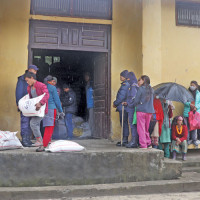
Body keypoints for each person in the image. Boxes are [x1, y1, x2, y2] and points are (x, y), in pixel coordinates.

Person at [36, 75, 64, 152]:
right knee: (50, 127)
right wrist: (61, 111)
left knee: (46, 126)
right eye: (52, 81)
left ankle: (46, 142)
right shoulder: (52, 88)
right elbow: (57, 100)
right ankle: (44, 145)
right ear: (50, 81)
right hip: (51, 109)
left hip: (43, 109)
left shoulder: (41, 87)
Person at [15, 65, 39, 147]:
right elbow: (18, 91)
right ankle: (24, 140)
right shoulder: (22, 79)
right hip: (24, 103)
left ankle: (28, 139)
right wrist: (18, 103)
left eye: (36, 71)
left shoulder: (33, 78)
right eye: (34, 71)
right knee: (25, 121)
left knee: (29, 122)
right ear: (29, 70)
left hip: (30, 104)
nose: (35, 72)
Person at [24, 71, 49, 147]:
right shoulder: (29, 88)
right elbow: (31, 98)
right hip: (35, 110)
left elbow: (47, 95)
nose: (27, 82)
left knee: (33, 123)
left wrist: (40, 103)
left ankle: (39, 140)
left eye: (27, 80)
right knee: (36, 124)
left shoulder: (41, 85)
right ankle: (41, 142)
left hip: (42, 109)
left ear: (32, 78)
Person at [132, 75, 155, 149]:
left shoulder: (141, 89)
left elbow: (136, 101)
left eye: (140, 80)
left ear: (143, 80)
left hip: (141, 110)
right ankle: (148, 143)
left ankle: (143, 145)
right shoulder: (151, 89)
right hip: (149, 111)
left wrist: (134, 102)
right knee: (146, 128)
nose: (139, 81)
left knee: (141, 128)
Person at [113, 70, 130, 146]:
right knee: (124, 123)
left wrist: (115, 103)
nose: (120, 77)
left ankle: (125, 140)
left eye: (121, 76)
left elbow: (121, 96)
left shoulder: (125, 85)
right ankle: (124, 139)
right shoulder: (127, 84)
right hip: (125, 106)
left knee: (124, 123)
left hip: (123, 107)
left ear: (125, 77)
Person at [124, 72, 139, 148]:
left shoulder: (133, 87)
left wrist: (129, 104)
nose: (127, 80)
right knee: (133, 125)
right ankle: (133, 140)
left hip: (132, 109)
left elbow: (133, 99)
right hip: (131, 108)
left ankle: (134, 142)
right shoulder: (133, 85)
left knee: (133, 125)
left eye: (128, 78)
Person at [183, 81, 200, 146]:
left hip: (195, 113)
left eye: (193, 85)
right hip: (187, 112)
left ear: (196, 86)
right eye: (191, 85)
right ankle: (187, 140)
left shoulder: (198, 94)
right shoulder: (186, 93)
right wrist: (190, 105)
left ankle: (194, 140)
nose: (191, 86)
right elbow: (184, 101)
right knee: (187, 127)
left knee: (194, 127)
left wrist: (196, 107)